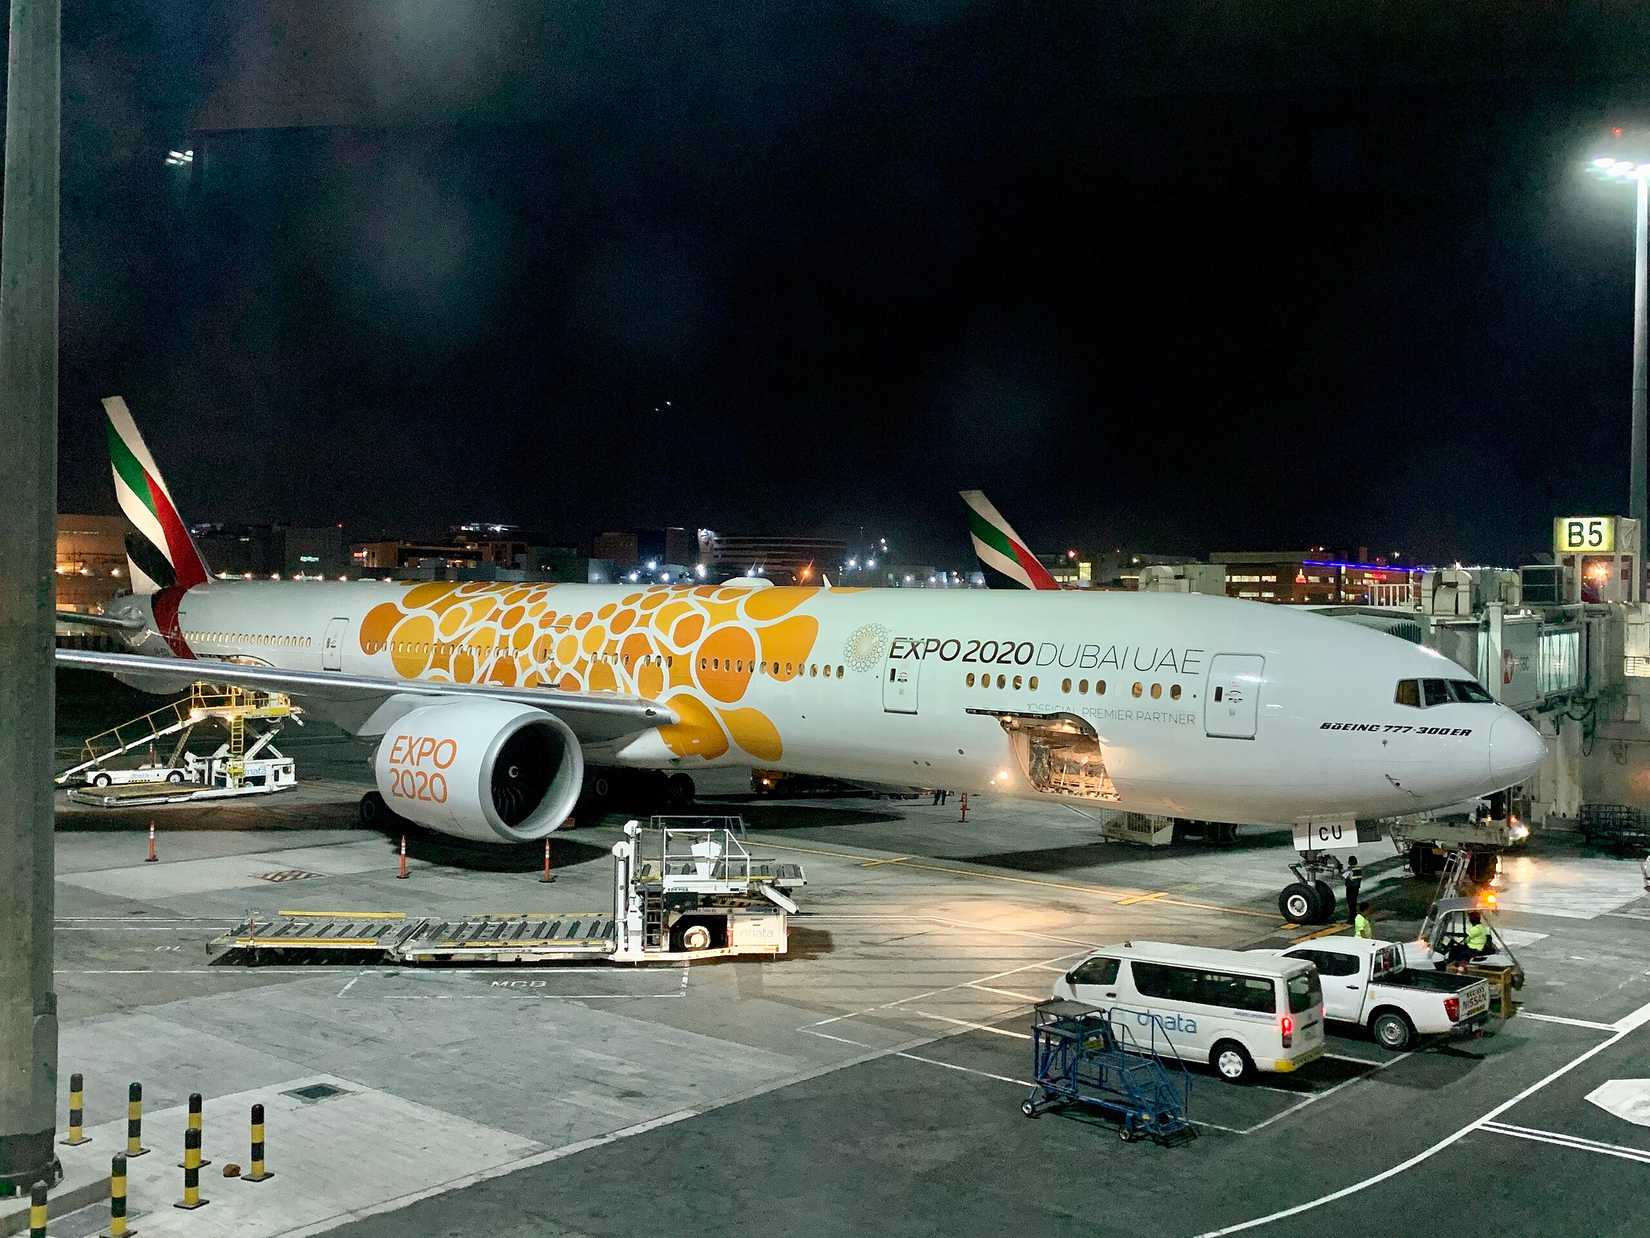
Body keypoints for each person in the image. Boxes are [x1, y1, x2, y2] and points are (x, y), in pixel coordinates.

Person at [1342, 856, 1362, 926]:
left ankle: (1351, 919)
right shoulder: (1359, 868)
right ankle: (1354, 917)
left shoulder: (1350, 869)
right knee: (1354, 903)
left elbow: (1344, 876)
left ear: (1349, 862)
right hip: (1356, 888)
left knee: (1350, 904)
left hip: (1350, 888)